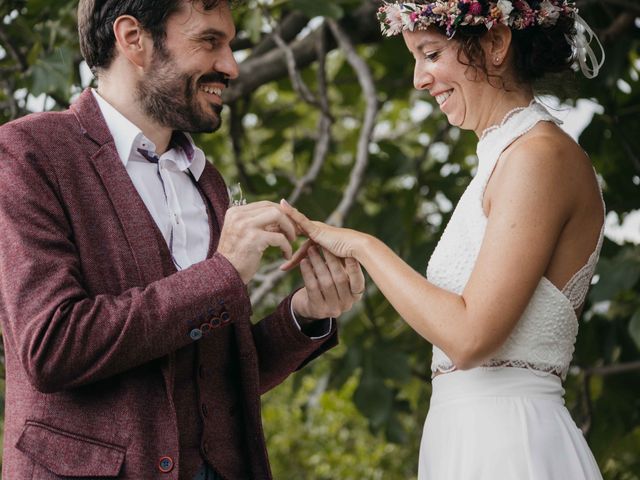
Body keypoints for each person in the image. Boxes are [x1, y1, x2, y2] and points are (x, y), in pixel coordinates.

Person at [0, 1, 365, 479]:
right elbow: (53, 348)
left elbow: (215, 382)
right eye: (209, 41)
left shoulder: (206, 181)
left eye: (230, 44)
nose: (231, 65)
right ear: (134, 39)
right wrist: (224, 273)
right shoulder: (28, 153)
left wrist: (306, 315)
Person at [280, 0, 606, 478]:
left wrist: (365, 247)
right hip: (466, 435)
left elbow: (470, 338)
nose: (419, 78)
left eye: (431, 54)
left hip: (512, 443)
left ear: (495, 43)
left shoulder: (539, 157)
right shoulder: (504, 156)